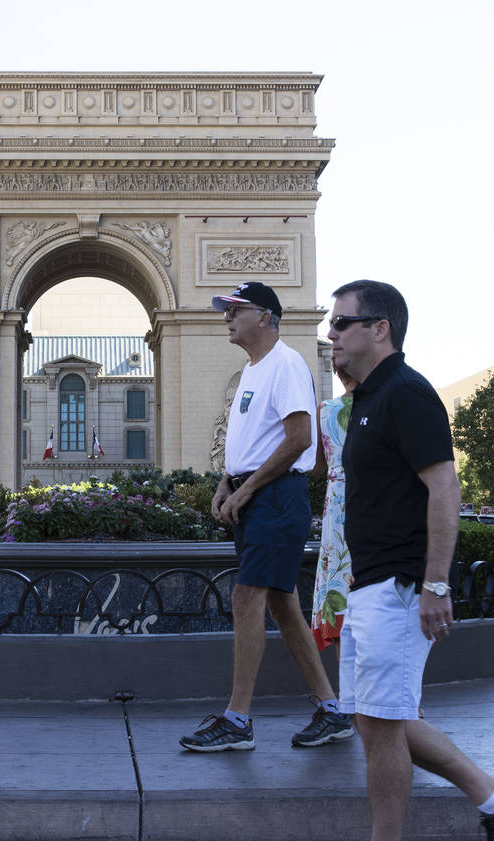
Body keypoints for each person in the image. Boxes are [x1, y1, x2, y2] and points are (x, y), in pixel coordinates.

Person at [328, 280, 494, 841]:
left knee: (385, 724)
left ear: (380, 328)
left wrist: (436, 584)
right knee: (375, 719)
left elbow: (444, 486)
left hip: (399, 587)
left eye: (342, 322)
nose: (330, 333)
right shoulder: (371, 397)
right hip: (371, 582)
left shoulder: (407, 393)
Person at [179, 281, 353, 752]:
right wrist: (226, 483)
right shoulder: (254, 371)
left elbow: (300, 439)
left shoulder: (287, 364)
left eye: (235, 309)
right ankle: (331, 710)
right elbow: (251, 445)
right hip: (256, 495)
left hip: (276, 498)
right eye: (226, 310)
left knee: (247, 596)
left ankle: (237, 720)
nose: (226, 318)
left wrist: (249, 487)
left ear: (265, 316)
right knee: (282, 605)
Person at [311, 367, 358, 652]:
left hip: (335, 502)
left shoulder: (325, 410)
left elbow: (316, 467)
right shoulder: (376, 407)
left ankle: (345, 690)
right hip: (367, 497)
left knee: (337, 575)